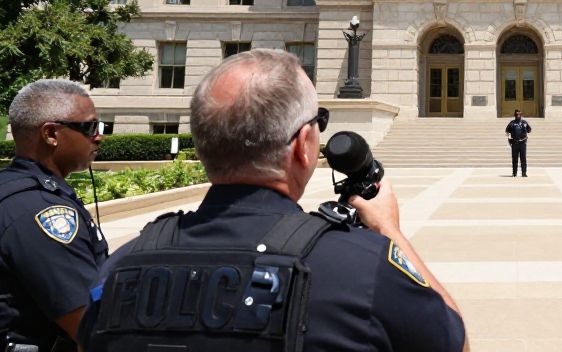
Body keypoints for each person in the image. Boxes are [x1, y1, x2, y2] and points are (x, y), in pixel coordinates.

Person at [78, 49, 467, 352]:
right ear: (303, 146)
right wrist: (389, 231)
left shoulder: (118, 267)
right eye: (319, 122)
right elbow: (455, 343)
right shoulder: (362, 268)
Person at [0, 79, 108, 351]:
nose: (99, 136)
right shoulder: (42, 213)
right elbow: (92, 328)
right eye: (90, 127)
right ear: (51, 134)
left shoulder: (12, 189)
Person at [505, 109, 531, 177]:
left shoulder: (524, 122)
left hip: (522, 143)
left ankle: (524, 173)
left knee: (523, 159)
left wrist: (526, 131)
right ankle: (514, 173)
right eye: (516, 114)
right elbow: (507, 131)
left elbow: (529, 130)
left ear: (521, 115)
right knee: (515, 159)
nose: (518, 116)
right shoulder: (512, 123)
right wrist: (509, 139)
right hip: (515, 143)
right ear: (514, 115)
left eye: (519, 114)